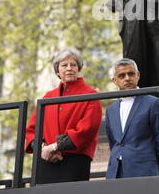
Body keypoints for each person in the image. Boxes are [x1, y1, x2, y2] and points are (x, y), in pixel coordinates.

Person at [25, 48, 102, 184]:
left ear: (78, 68)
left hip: (74, 161)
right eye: (64, 65)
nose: (69, 68)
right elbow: (32, 130)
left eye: (73, 65)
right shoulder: (48, 97)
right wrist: (44, 148)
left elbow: (87, 130)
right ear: (57, 71)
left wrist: (55, 147)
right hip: (45, 160)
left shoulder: (91, 95)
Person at [105, 58, 159, 179]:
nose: (127, 78)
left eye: (131, 73)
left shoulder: (153, 103)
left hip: (144, 172)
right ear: (115, 80)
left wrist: (155, 170)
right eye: (121, 75)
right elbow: (113, 143)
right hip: (115, 173)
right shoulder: (111, 110)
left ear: (138, 75)